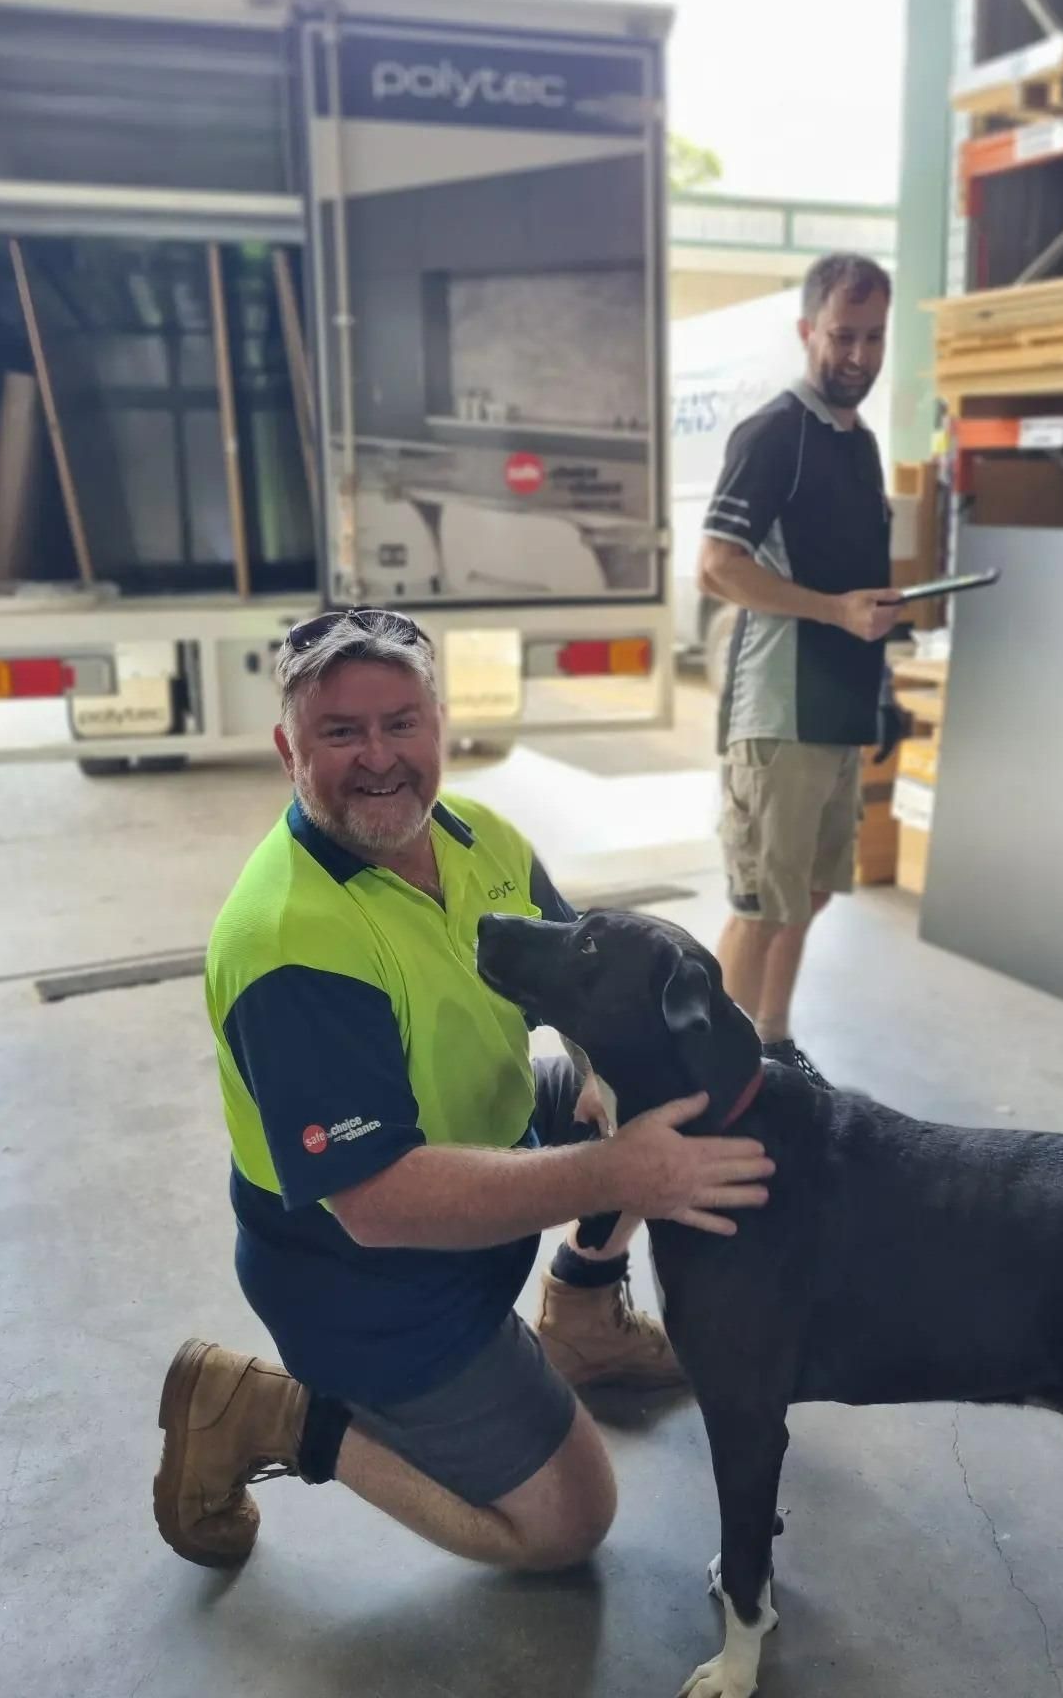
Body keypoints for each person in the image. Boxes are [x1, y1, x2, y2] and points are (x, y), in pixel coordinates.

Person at [153, 609, 773, 1573]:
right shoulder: (287, 942)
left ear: (439, 724)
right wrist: (618, 1169)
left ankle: (582, 1314)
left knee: (661, 1086)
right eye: (341, 732)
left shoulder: (479, 834)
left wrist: (610, 1080)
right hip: (367, 1283)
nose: (378, 758)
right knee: (569, 1523)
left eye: (401, 723)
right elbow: (380, 1204)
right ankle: (278, 1412)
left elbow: (583, 994)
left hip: (479, 1142)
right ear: (287, 749)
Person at [697, 252, 897, 1091]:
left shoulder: (860, 443)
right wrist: (835, 611)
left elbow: (846, 575)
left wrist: (876, 644)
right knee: (759, 906)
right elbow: (716, 566)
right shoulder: (776, 432)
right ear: (807, 330)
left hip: (839, 706)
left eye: (874, 337)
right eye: (842, 336)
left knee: (809, 895)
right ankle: (707, 1070)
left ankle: (771, 1047)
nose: (858, 355)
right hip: (777, 713)